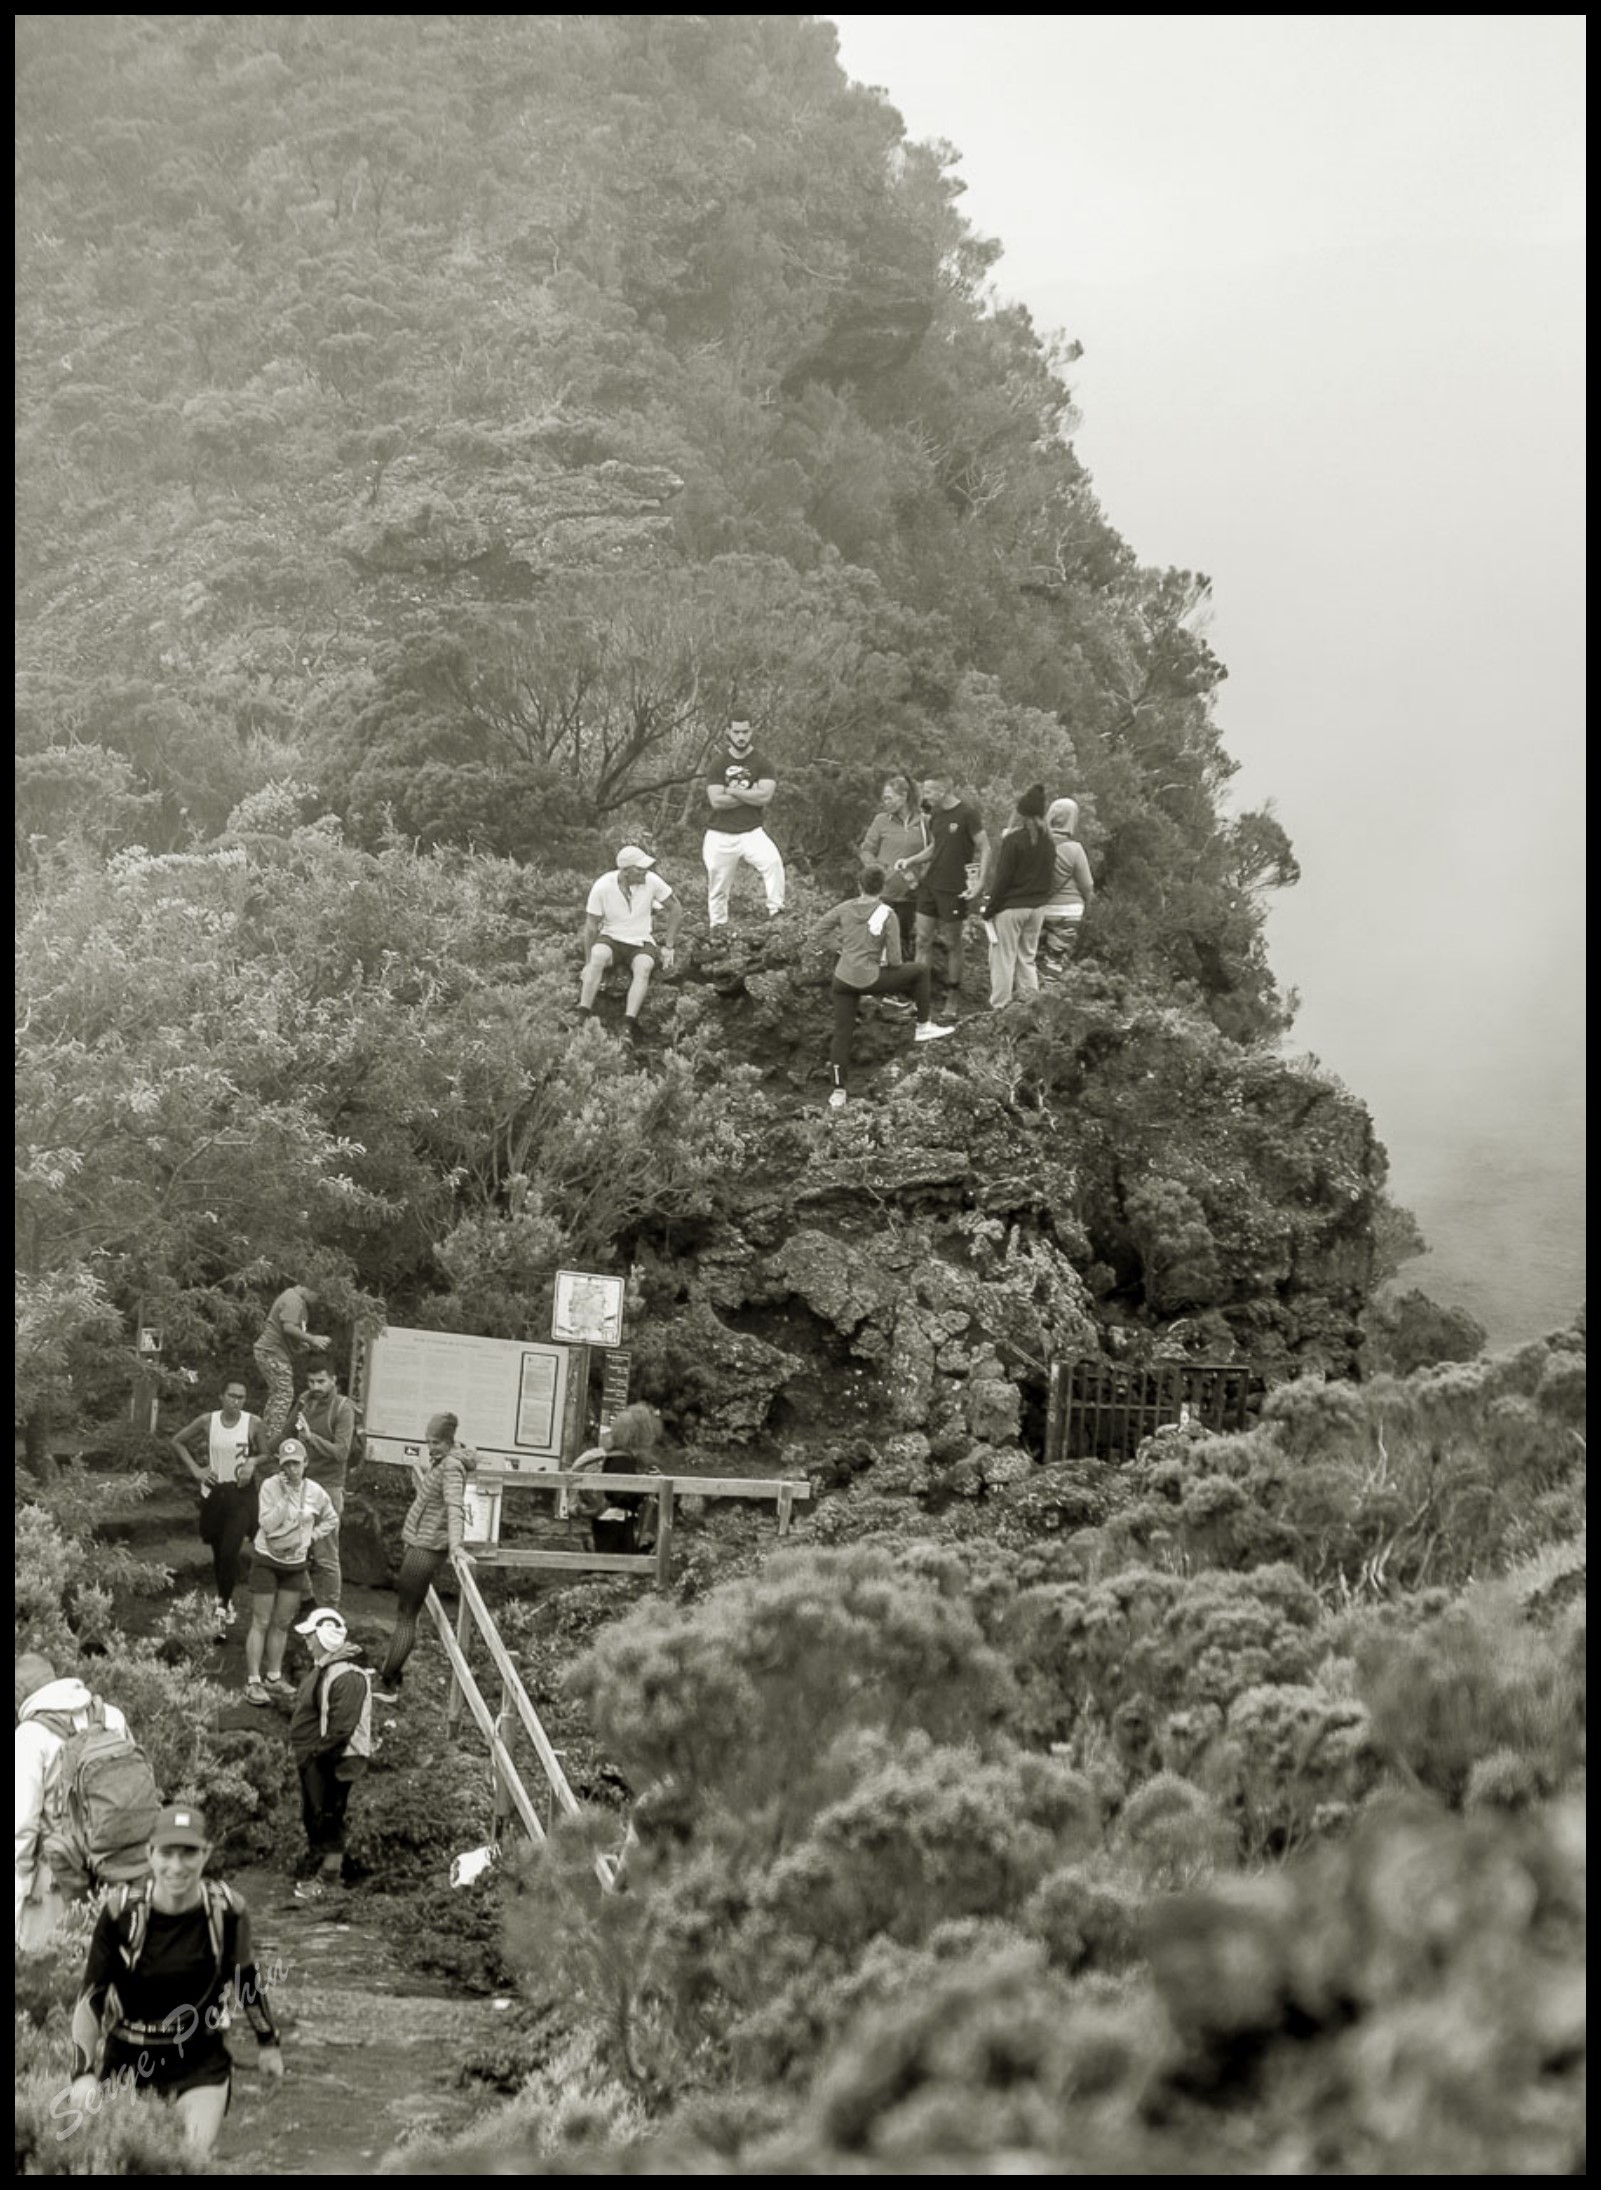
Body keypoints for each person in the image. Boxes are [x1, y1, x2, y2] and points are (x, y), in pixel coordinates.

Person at [62, 1804, 283, 2158]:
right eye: (167, 1853)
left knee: (186, 2160)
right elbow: (91, 1996)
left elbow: (247, 1980)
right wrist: (82, 2073)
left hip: (200, 2064)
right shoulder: (122, 1914)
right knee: (129, 2160)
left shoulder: (228, 1912)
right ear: (150, 1854)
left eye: (188, 1853)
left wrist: (268, 2044)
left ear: (206, 1854)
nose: (176, 1866)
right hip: (128, 2064)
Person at [15, 1657, 135, 1950]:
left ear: (19, 1690)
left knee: (50, 1969)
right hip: (117, 1869)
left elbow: (21, 1828)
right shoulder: (112, 1717)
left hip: (56, 1882)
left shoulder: (30, 1736)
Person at [813, 864, 955, 1109]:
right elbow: (895, 961)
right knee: (920, 971)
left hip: (843, 979)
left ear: (859, 885)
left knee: (842, 1032)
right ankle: (923, 1025)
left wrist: (841, 948)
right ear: (882, 887)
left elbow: (818, 931)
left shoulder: (844, 908)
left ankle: (838, 1092)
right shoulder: (887, 914)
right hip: (871, 979)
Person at [373, 1414, 478, 1703]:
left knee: (406, 1616)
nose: (430, 1447)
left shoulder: (451, 1466)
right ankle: (392, 1674)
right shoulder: (443, 1462)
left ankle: (388, 1680)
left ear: (449, 1441)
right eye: (428, 1441)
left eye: (436, 1442)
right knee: (406, 1613)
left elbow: (455, 1507)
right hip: (421, 1542)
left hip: (426, 1548)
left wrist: (456, 1547)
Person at [244, 1440, 337, 1708]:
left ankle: (274, 1676)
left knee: (283, 1622)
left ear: (305, 1463)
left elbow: (332, 1518)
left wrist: (312, 1537)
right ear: (280, 1466)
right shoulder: (270, 1486)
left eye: (296, 1463)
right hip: (267, 1558)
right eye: (286, 1464)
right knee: (261, 1620)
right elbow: (267, 1524)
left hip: (295, 1564)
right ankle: (253, 1681)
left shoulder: (316, 1492)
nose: (292, 1469)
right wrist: (285, 1498)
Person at [287, 1608, 372, 1901]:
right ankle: (322, 1868)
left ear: (324, 1637)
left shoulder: (347, 1675)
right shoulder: (328, 1668)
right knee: (317, 1813)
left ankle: (329, 1878)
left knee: (329, 1815)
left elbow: (342, 1727)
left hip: (339, 1758)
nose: (306, 1641)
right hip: (325, 1755)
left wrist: (318, 1755)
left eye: (310, 1635)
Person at [168, 1380, 263, 1639]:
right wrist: (196, 1470)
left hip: (241, 1495)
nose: (236, 1401)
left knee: (231, 1551)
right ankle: (225, 1599)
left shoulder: (253, 1423)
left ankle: (221, 1609)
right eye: (232, 1395)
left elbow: (268, 1452)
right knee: (219, 1554)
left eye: (241, 1397)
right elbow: (177, 1441)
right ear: (221, 1396)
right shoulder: (207, 1421)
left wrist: (252, 1462)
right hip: (215, 1493)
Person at [902, 773, 990, 1018]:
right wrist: (911, 860)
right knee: (922, 940)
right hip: (930, 884)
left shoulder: (967, 814)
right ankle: (920, 999)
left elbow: (985, 847)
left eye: (929, 791)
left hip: (954, 888)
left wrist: (980, 882)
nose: (925, 796)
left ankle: (952, 999)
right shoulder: (936, 814)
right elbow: (935, 846)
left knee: (953, 943)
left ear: (943, 791)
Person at [578, 844, 683, 1047]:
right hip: (611, 937)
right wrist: (588, 963)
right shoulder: (603, 886)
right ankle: (582, 1013)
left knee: (643, 967)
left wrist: (669, 946)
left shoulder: (651, 881)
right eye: (640, 869)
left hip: (641, 940)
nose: (645, 872)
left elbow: (676, 908)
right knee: (598, 957)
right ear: (626, 871)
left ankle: (627, 1023)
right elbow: (591, 927)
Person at [703, 712, 785, 933]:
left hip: (751, 831)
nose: (741, 737)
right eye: (737, 732)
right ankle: (718, 927)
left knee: (773, 863)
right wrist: (750, 792)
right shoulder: (718, 764)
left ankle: (776, 911)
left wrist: (732, 791)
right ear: (728, 732)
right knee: (718, 884)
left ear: (751, 732)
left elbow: (765, 797)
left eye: (745, 732)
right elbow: (716, 801)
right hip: (720, 833)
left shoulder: (762, 763)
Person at [976, 784, 1056, 1008]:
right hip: (1037, 908)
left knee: (1003, 959)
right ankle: (1032, 1007)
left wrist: (990, 909)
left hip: (1011, 908)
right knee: (1027, 959)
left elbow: (1003, 880)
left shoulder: (1013, 841)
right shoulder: (1049, 842)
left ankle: (1000, 1006)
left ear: (1021, 814)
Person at [291, 1363, 357, 1608]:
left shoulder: (343, 1407)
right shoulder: (305, 1401)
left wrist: (311, 1438)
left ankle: (330, 1612)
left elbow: (342, 1452)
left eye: (321, 1381)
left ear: (333, 1379)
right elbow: (289, 1435)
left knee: (325, 1555)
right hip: (301, 1484)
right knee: (293, 1547)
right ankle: (307, 1601)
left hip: (329, 1487)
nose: (315, 1387)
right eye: (311, 1381)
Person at [573, 1402, 664, 1556]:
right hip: (617, 1524)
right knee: (618, 1565)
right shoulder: (623, 1461)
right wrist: (644, 1489)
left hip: (605, 1520)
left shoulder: (612, 1456)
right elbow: (622, 1495)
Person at [252, 1282, 332, 1454]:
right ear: (308, 1288)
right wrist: (313, 1339)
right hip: (271, 1351)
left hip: (274, 1352)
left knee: (277, 1394)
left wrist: (307, 1345)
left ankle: (265, 1435)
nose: (317, 1301)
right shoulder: (293, 1300)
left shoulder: (299, 1304)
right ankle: (272, 1440)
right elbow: (288, 1328)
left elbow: (292, 1337)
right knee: (284, 1394)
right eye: (318, 1296)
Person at [857, 772, 930, 955]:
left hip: (911, 895)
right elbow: (866, 850)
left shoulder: (924, 822)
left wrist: (924, 877)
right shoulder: (881, 820)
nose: (885, 802)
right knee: (878, 942)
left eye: (889, 798)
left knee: (904, 943)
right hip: (883, 894)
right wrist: (877, 869)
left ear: (903, 797)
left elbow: (934, 852)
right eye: (884, 798)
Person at [1038, 796, 1096, 986]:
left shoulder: (1037, 844)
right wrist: (1090, 905)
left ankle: (1030, 993)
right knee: (1055, 959)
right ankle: (1049, 994)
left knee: (1033, 958)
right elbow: (1087, 885)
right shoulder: (1074, 849)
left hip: (1039, 909)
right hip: (1069, 911)